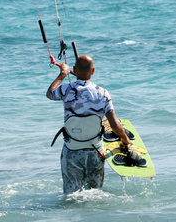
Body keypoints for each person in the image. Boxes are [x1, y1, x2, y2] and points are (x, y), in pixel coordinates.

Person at [47, 55, 130, 194]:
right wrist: (125, 138)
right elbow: (115, 126)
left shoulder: (66, 90)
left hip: (71, 151)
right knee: (94, 193)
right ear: (93, 71)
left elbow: (50, 93)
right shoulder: (103, 93)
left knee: (72, 196)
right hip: (95, 152)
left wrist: (62, 74)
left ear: (74, 70)